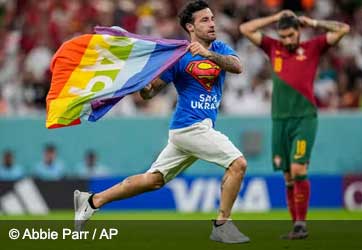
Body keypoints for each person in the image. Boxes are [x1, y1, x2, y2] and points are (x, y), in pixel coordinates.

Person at [74, 0, 250, 244]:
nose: (212, 24)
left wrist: (209, 53)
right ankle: (222, 224)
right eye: (205, 20)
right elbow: (149, 93)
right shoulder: (178, 57)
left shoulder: (219, 48)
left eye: (212, 18)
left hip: (192, 130)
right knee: (238, 164)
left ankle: (92, 201)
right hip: (190, 127)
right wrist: (138, 83)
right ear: (190, 27)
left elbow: (237, 67)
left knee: (153, 180)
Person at [240, 10, 350, 239]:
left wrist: (313, 22)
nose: (287, 40)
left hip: (304, 119)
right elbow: (245, 29)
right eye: (283, 36)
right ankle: (296, 227)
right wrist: (274, 17)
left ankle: (301, 224)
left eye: (291, 35)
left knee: (299, 168)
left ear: (299, 31)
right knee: (288, 176)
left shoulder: (313, 47)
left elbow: (343, 29)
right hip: (279, 120)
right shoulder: (273, 47)